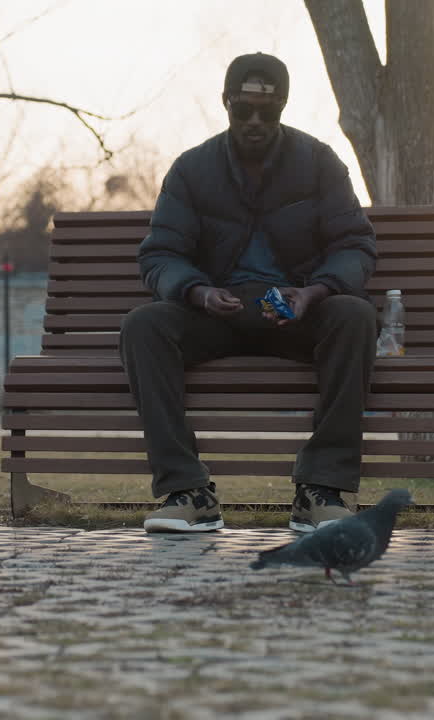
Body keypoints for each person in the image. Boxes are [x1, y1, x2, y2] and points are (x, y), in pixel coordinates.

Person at [122, 53, 379, 534]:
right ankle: (188, 492)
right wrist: (198, 292)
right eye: (244, 111)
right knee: (144, 326)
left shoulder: (319, 162)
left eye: (269, 111)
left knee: (355, 316)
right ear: (226, 104)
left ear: (283, 106)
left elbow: (355, 245)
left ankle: (320, 491)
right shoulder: (192, 169)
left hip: (297, 315)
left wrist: (315, 292)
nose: (256, 123)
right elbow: (159, 256)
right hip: (216, 316)